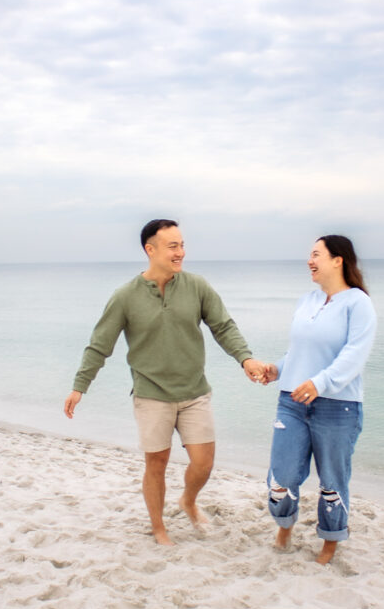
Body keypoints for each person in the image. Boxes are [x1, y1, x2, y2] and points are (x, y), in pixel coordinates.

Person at [64, 219, 266, 546]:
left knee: (203, 463)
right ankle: (159, 529)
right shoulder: (125, 296)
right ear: (151, 249)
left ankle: (188, 499)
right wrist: (79, 386)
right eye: (173, 246)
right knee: (156, 464)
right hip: (151, 395)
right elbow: (100, 344)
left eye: (182, 245)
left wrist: (246, 359)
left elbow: (224, 327)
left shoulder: (197, 286)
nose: (180, 252)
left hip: (194, 392)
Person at [260, 235, 377, 565]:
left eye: (316, 254)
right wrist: (277, 370)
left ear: (338, 260)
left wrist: (320, 382)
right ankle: (285, 525)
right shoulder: (306, 301)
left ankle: (330, 541)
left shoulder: (358, 303)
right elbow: (298, 352)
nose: (309, 260)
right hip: (292, 401)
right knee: (280, 477)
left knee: (331, 482)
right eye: (309, 254)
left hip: (338, 406)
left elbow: (354, 356)